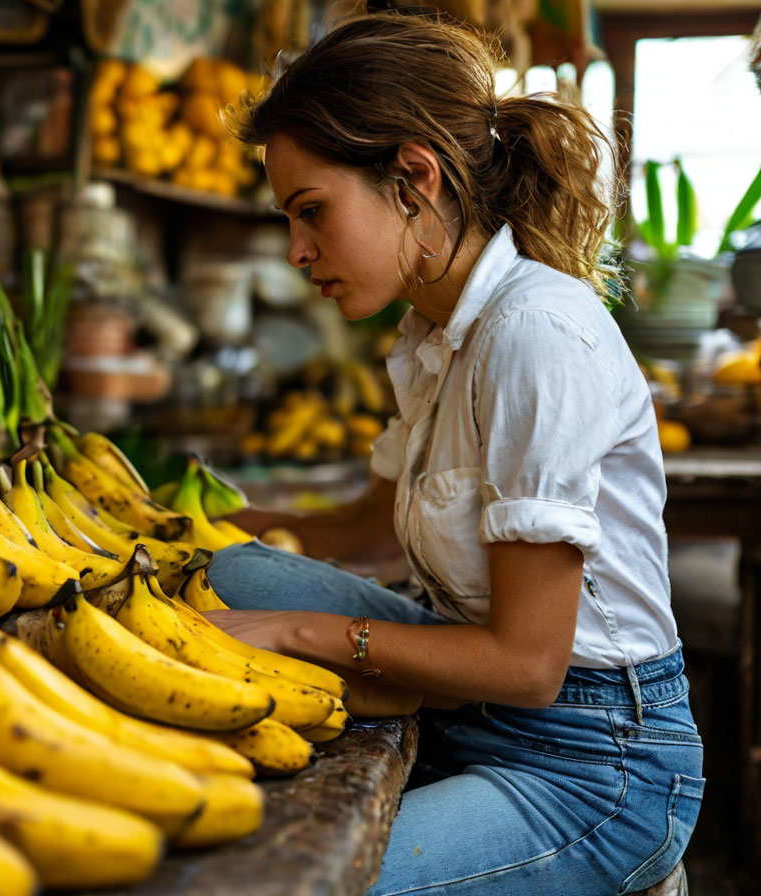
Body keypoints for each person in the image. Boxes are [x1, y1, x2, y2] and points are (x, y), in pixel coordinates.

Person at [205, 10, 705, 896]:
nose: (296, 251)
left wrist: (295, 633)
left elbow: (527, 663)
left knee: (311, 884)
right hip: (479, 713)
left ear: (412, 179)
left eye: (312, 211)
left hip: (592, 766)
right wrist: (194, 529)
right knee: (227, 573)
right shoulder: (434, 331)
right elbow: (365, 530)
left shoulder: (534, 333)